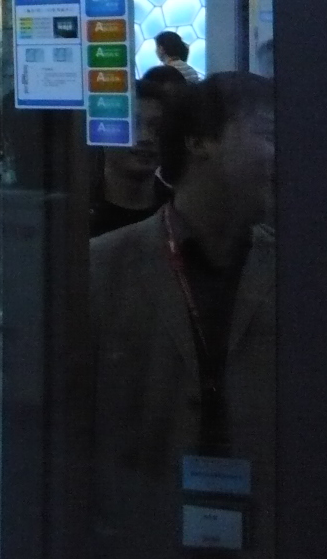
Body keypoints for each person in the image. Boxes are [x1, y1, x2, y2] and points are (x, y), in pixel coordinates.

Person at [90, 72, 275, 558]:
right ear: (200, 142)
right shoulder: (102, 268)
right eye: (267, 133)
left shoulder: (293, 272)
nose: (279, 153)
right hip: (146, 528)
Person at [90, 66, 187, 237]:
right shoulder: (74, 210)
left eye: (157, 127)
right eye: (131, 125)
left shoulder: (180, 212)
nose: (146, 138)